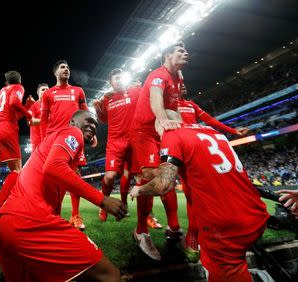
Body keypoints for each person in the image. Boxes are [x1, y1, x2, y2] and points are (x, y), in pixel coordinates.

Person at [130, 113, 269, 282]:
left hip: (226, 225)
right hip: (256, 213)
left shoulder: (171, 134)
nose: (156, 134)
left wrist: (139, 189)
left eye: (155, 129)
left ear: (163, 122)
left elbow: (163, 185)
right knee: (237, 262)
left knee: (224, 270)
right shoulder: (212, 131)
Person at [0, 110, 127, 282]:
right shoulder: (72, 132)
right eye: (89, 121)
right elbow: (53, 166)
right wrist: (102, 200)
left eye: (96, 125)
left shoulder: (52, 146)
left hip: (3, 227)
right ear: (72, 123)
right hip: (28, 224)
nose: (93, 126)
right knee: (110, 275)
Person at [177, 82, 250, 261]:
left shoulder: (191, 105)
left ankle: (215, 230)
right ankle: (193, 235)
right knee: (191, 194)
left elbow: (210, 120)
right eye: (179, 83)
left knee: (210, 191)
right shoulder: (167, 104)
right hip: (182, 149)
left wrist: (233, 131)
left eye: (185, 83)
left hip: (200, 149)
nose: (183, 86)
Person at [128, 42, 188, 260]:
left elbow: (175, 106)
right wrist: (162, 120)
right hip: (144, 132)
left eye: (185, 50)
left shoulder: (179, 77)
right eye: (180, 51)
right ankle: (141, 231)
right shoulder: (157, 74)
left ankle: (173, 228)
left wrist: (180, 126)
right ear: (167, 55)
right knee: (153, 177)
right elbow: (155, 98)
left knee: (168, 177)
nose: (186, 52)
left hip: (161, 131)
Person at [40, 59, 97, 230]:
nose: (66, 70)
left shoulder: (78, 91)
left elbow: (86, 113)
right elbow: (44, 119)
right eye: (63, 67)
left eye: (68, 68)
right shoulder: (48, 94)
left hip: (73, 137)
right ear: (55, 72)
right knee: (52, 178)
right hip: (54, 138)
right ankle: (53, 214)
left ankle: (75, 215)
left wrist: (91, 133)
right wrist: (44, 140)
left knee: (74, 176)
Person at [0, 70, 37, 214]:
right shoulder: (18, 87)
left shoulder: (0, 92)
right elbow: (14, 103)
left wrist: (26, 106)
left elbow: (12, 115)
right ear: (19, 82)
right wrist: (29, 113)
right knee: (16, 170)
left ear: (6, 82)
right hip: (4, 128)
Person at [93, 68, 140, 220]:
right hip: (115, 142)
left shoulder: (134, 91)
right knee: (110, 176)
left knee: (141, 178)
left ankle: (146, 215)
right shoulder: (107, 99)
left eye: (121, 78)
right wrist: (97, 108)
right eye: (116, 79)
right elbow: (103, 119)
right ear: (110, 82)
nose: (119, 80)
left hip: (134, 140)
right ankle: (104, 205)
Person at [28, 83, 49, 153]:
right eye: (43, 90)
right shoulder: (34, 105)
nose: (45, 91)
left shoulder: (53, 106)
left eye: (47, 90)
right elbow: (30, 122)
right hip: (37, 142)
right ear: (38, 92)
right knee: (37, 163)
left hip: (50, 140)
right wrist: (45, 120)